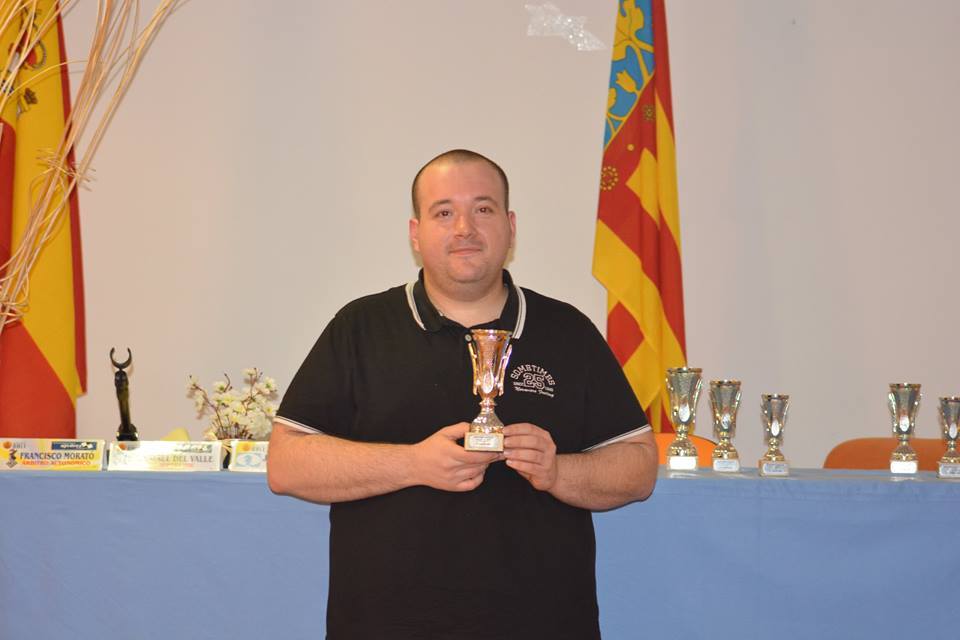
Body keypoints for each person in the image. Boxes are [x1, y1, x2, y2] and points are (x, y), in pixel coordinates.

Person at [268, 149, 657, 639]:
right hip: (385, 625)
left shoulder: (568, 331)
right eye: (444, 212)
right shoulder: (360, 328)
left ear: (511, 227)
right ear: (416, 233)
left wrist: (558, 472)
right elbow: (286, 464)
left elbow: (639, 468)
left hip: (545, 623)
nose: (465, 228)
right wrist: (413, 464)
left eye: (483, 209)